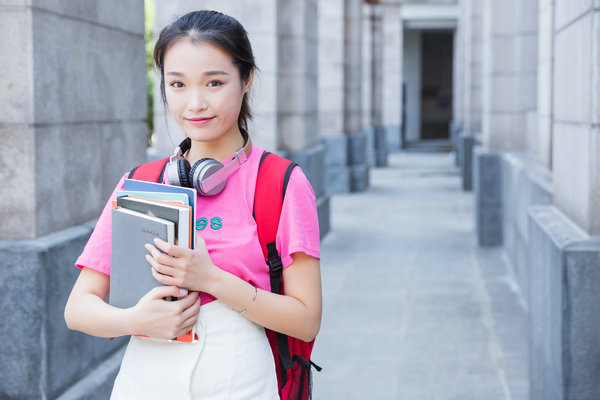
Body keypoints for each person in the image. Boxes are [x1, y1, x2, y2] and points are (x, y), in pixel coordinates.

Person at [64, 10, 322, 399]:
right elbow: (78, 309)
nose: (195, 103)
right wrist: (135, 319)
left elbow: (306, 321)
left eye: (214, 82)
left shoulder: (279, 182)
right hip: (145, 380)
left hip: (241, 381)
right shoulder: (141, 181)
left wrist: (212, 280)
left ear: (246, 77)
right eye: (178, 84)